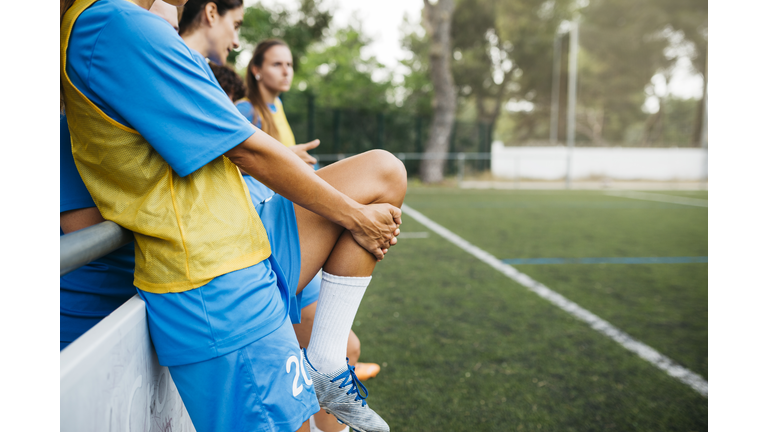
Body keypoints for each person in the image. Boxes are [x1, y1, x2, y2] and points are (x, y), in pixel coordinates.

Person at [60, 1, 405, 432]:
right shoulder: (114, 25)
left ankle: (328, 363)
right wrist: (354, 216)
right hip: (215, 276)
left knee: (383, 171)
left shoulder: (117, 25)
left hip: (242, 241)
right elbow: (245, 148)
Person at [59, 0, 184, 352]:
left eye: (174, 37)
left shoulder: (159, 126)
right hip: (87, 331)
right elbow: (85, 232)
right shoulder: (68, 130)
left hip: (144, 309)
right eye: (157, 34)